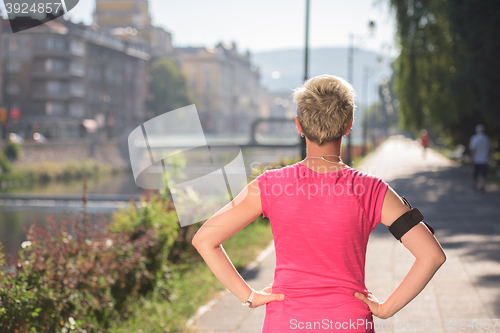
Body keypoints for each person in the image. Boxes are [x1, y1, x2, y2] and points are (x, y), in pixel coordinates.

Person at [192, 75, 446, 332]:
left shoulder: (269, 185)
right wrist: (385, 308)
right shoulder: (372, 190)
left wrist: (249, 296)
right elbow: (432, 255)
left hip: (286, 323)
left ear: (299, 126)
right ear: (349, 125)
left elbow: (204, 239)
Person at [469, 124, 492, 191]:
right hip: (484, 159)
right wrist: (489, 157)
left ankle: (475, 184)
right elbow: (490, 149)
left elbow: (473, 149)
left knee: (476, 172)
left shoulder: (474, 138)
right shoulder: (487, 138)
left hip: (476, 159)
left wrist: (471, 158)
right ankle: (482, 185)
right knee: (483, 173)